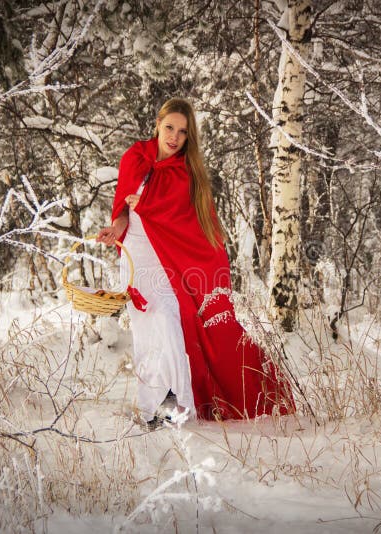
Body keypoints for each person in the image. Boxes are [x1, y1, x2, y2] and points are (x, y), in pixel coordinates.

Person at [97, 97, 294, 428]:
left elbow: (181, 223)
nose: (174, 137)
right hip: (137, 256)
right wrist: (114, 229)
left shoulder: (185, 174)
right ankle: (152, 410)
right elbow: (123, 211)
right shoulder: (133, 158)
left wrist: (146, 203)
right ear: (158, 125)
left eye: (183, 132)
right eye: (169, 128)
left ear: (189, 137)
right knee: (149, 332)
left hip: (169, 261)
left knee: (171, 326)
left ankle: (172, 411)